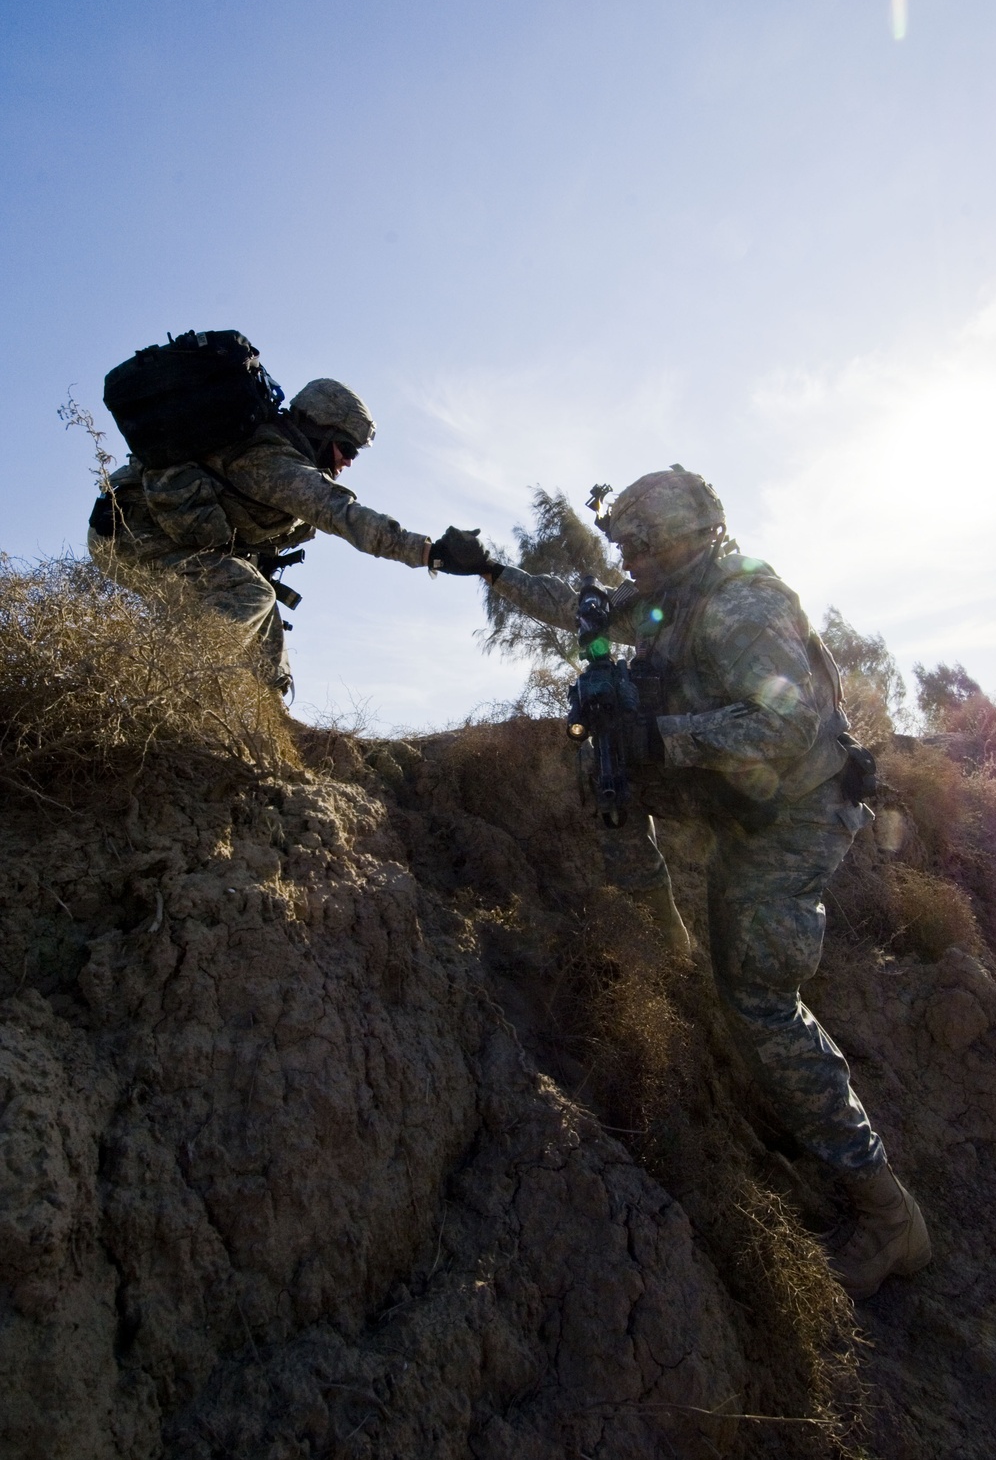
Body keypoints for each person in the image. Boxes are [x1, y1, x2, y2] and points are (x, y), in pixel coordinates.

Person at [441, 469, 931, 1300]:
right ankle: (669, 947)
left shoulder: (740, 603)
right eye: (625, 547)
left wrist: (658, 736)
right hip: (742, 798)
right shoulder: (667, 591)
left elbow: (785, 727)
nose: (630, 562)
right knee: (603, 737)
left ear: (691, 536)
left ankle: (888, 1218)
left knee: (759, 997)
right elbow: (580, 607)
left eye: (645, 546)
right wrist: (490, 571)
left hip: (798, 812)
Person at [88, 378, 478, 691]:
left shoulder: (275, 452)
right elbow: (343, 514)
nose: (348, 461)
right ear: (319, 429)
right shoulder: (274, 461)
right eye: (346, 448)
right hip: (129, 535)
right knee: (249, 593)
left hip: (156, 535)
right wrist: (430, 553)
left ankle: (269, 711)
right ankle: (172, 684)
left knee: (263, 610)